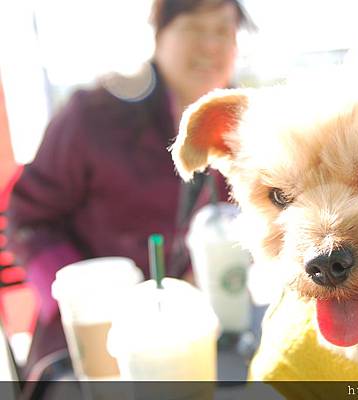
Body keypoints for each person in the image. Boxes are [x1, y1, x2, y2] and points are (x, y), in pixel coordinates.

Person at [7, 0, 253, 377]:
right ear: (158, 33)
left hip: (189, 338)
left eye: (223, 30)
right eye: (194, 28)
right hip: (89, 348)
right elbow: (26, 219)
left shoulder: (241, 124)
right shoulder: (93, 115)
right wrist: (85, 297)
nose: (211, 45)